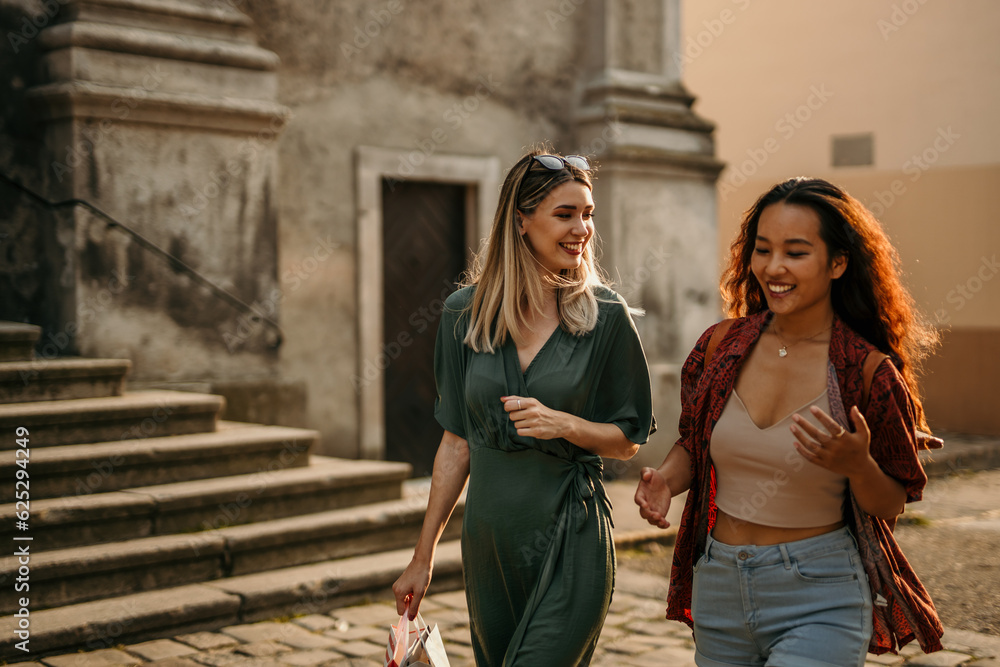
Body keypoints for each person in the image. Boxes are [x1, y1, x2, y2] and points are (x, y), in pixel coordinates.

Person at [634, 177, 944, 666]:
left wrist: (858, 464)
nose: (773, 268)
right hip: (720, 585)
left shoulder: (867, 372)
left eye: (795, 253)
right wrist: (664, 482)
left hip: (821, 592)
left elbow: (891, 505)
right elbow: (693, 445)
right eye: (763, 250)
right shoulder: (720, 346)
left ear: (838, 262)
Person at [392, 147, 656, 666]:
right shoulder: (462, 314)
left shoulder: (606, 317)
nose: (582, 228)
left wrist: (566, 424)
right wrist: (422, 559)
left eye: (588, 214)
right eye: (565, 214)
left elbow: (628, 439)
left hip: (572, 535)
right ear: (521, 221)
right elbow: (456, 443)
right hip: (490, 543)